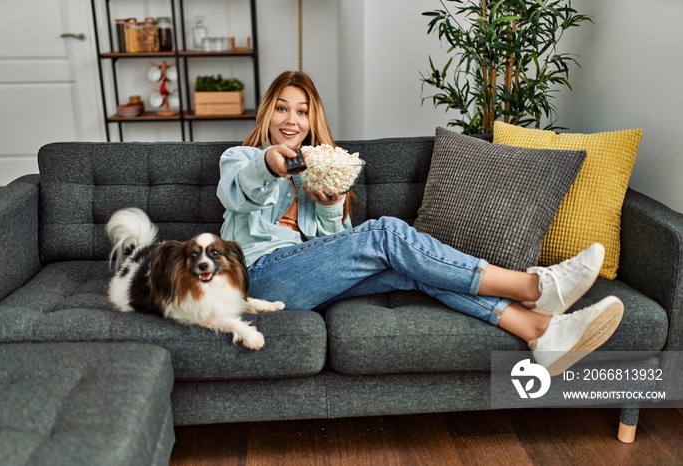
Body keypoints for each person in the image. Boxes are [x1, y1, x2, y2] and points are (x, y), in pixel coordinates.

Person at [216, 70, 623, 376]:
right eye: (283, 108)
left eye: (302, 111)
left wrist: (331, 204)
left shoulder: (320, 168)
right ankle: (533, 286)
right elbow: (237, 192)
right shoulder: (241, 158)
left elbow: (340, 248)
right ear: (268, 111)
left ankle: (541, 332)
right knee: (387, 232)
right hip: (258, 278)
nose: (292, 120)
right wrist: (270, 164)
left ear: (312, 119)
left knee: (412, 267)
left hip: (310, 281)